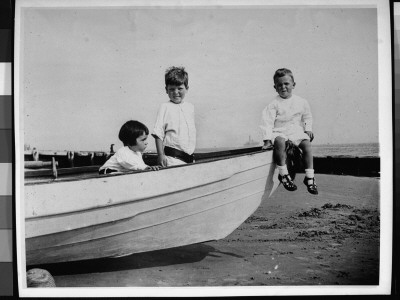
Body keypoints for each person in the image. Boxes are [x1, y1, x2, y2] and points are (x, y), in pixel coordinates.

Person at [260, 68, 318, 195]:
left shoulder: (301, 102)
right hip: (279, 131)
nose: (283, 87)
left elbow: (307, 116)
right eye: (279, 85)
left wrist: (308, 129)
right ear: (275, 87)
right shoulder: (274, 104)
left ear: (293, 85)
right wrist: (267, 140)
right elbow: (267, 122)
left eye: (286, 83)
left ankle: (309, 176)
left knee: (307, 144)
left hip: (295, 131)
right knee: (280, 141)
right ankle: (284, 174)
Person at [152, 66, 196, 167]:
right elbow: (158, 133)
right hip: (172, 159)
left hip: (189, 159)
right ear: (166, 90)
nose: (176, 92)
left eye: (180, 88)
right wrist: (160, 155)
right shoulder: (165, 107)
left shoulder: (190, 107)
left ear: (187, 88)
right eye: (171, 89)